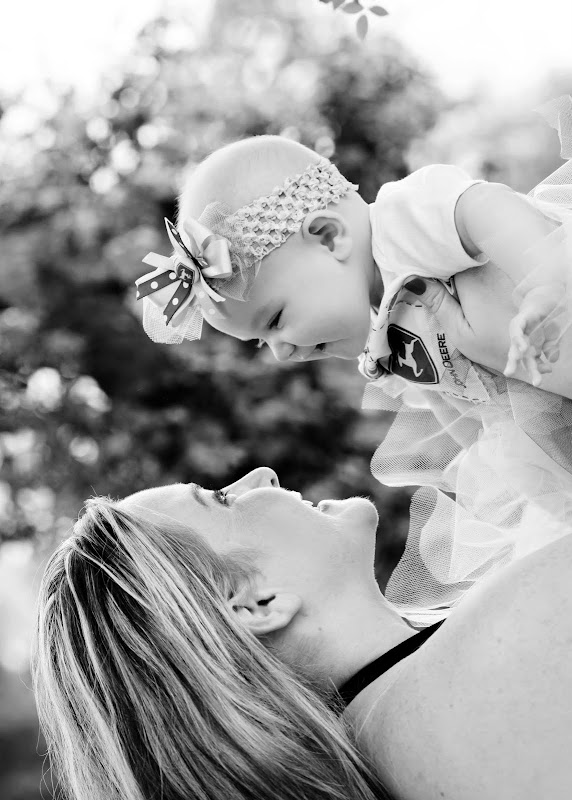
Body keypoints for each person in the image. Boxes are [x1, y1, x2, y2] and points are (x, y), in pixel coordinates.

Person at [133, 96, 572, 620]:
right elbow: (461, 406)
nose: (281, 351)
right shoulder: (384, 336)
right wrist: (501, 462)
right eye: (262, 342)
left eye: (275, 320)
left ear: (328, 237)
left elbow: (487, 207)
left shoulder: (403, 224)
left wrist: (545, 280)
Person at [33, 468, 572, 800]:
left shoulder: (386, 752)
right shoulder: (505, 636)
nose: (262, 476)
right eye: (222, 498)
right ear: (257, 603)